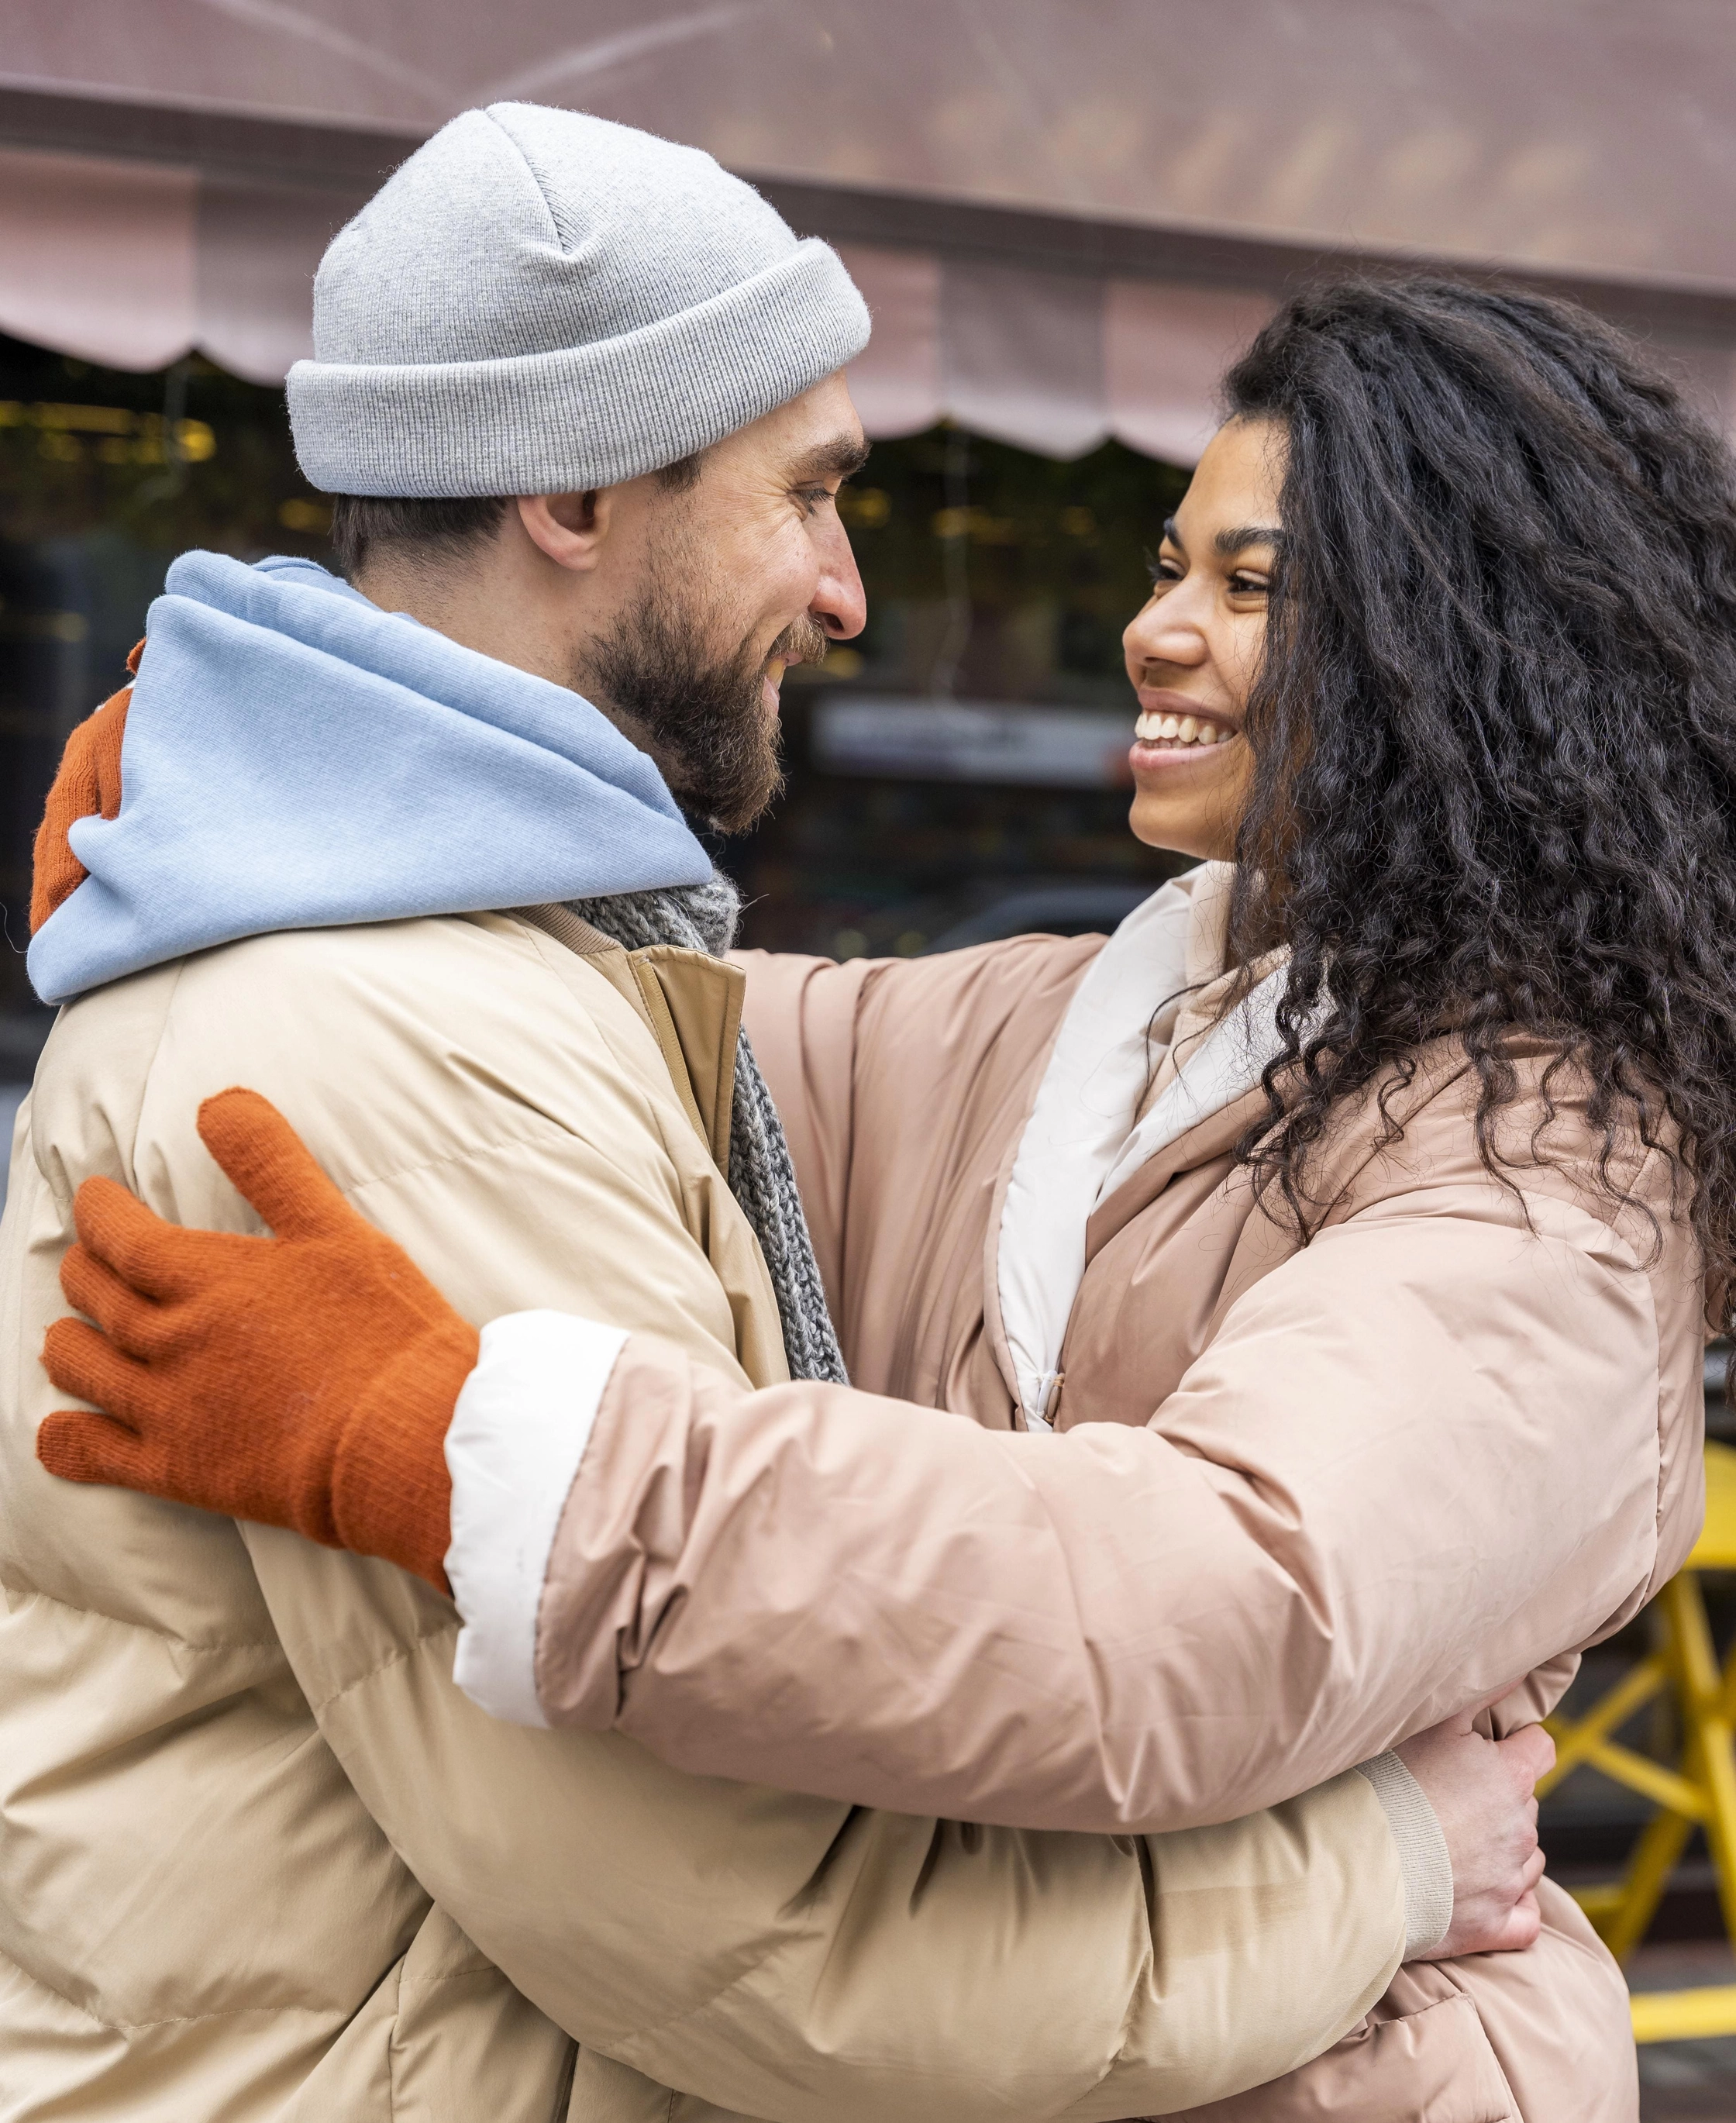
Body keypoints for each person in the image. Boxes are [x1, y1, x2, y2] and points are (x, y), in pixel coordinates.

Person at [29, 275, 1725, 2121]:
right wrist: (264, 789)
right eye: (1169, 566)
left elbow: (1210, 1600)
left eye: (1250, 590)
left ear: (1456, 653)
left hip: (1378, 2065)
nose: (1156, 631)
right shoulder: (1070, 1018)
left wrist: (478, 1457)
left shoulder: (1550, 1162)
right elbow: (621, 1017)